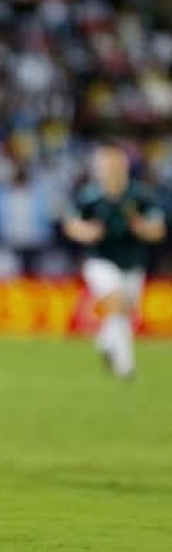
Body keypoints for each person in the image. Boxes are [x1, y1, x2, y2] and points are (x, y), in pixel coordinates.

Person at [63, 143, 166, 379]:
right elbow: (72, 225)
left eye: (114, 163)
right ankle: (125, 366)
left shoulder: (140, 195)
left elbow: (157, 230)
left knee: (124, 312)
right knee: (116, 302)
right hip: (99, 259)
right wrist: (88, 232)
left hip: (132, 261)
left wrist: (141, 226)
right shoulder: (89, 196)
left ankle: (106, 342)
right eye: (105, 164)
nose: (110, 169)